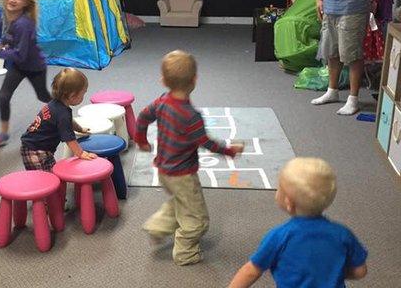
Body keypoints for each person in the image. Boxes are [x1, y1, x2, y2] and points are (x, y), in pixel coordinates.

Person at [135, 50, 244, 266]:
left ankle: (158, 225)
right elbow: (206, 143)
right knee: (197, 219)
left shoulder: (161, 101)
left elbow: (142, 117)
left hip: (164, 170)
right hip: (182, 175)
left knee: (179, 201)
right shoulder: (191, 116)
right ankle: (185, 252)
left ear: (163, 80)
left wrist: (141, 140)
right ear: (195, 80)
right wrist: (230, 150)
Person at [228, 157, 367, 287]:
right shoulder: (343, 234)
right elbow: (360, 271)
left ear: (288, 203)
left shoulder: (279, 236)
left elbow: (251, 271)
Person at [0, 0, 52, 150]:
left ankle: (65, 114)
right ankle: (4, 133)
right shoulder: (12, 16)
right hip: (20, 67)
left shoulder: (24, 24)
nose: (11, 0)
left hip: (35, 67)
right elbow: (9, 35)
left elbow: (20, 55)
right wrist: (2, 43)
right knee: (4, 96)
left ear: (27, 2)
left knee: (43, 96)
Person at [20, 67, 96, 171]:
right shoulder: (62, 114)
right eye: (83, 94)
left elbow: (69, 121)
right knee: (46, 180)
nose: (83, 97)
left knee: (52, 173)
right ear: (72, 96)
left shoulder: (56, 104)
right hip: (36, 151)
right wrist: (81, 153)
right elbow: (70, 139)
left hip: (34, 146)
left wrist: (80, 129)